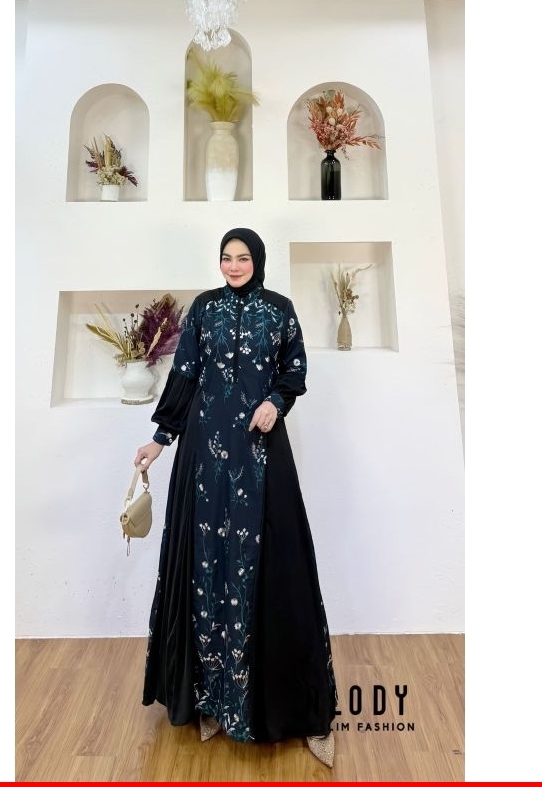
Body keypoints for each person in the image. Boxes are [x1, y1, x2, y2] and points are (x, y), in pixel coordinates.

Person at [133, 227, 337, 767]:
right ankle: (211, 700)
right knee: (207, 566)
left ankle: (302, 711)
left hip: (261, 450)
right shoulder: (205, 309)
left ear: (258, 260)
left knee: (278, 565)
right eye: (226, 257)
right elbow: (184, 374)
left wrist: (275, 402)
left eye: (243, 257)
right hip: (205, 452)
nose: (234, 265)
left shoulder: (279, 309)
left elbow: (294, 369)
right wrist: (159, 440)